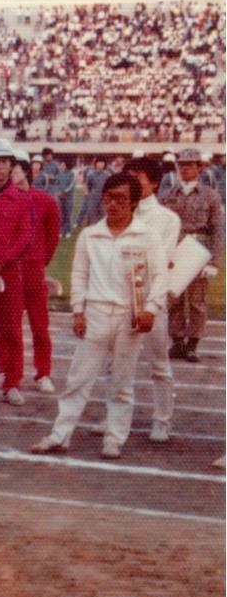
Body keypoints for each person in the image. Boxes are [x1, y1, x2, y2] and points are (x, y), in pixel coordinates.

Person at [31, 173, 169, 459]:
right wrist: (78, 311)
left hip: (128, 318)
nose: (113, 204)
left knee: (121, 383)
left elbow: (160, 276)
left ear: (133, 202)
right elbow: (79, 275)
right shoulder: (90, 235)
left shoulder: (147, 236)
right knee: (78, 379)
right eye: (108, 197)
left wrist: (150, 309)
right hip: (95, 314)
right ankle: (60, 434)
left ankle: (115, 438)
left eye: (120, 198)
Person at [121, 156, 180, 441]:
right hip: (119, 297)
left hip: (151, 299)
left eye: (138, 177)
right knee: (119, 361)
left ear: (154, 183)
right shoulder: (119, 212)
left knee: (158, 363)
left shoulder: (167, 219)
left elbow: (161, 261)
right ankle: (119, 416)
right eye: (128, 176)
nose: (132, 182)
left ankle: (162, 420)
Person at [161, 148, 225, 363]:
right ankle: (177, 342)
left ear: (200, 167)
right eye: (181, 165)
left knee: (197, 301)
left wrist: (214, 260)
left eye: (190, 165)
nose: (184, 169)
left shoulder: (211, 196)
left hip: (198, 250)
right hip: (175, 251)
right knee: (174, 298)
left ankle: (193, 344)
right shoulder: (168, 195)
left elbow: (218, 230)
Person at [0, 140, 33, 406]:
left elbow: (25, 236)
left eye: (4, 163)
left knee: (11, 328)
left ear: (11, 166)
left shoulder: (22, 199)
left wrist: (2, 261)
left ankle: (12, 382)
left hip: (9, 272)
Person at [16, 151, 61, 395]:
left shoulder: (45, 201)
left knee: (39, 325)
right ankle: (8, 371)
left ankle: (43, 372)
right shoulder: (0, 199)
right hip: (10, 269)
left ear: (24, 171)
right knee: (9, 325)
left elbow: (52, 238)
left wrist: (39, 263)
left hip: (33, 269)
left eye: (13, 168)